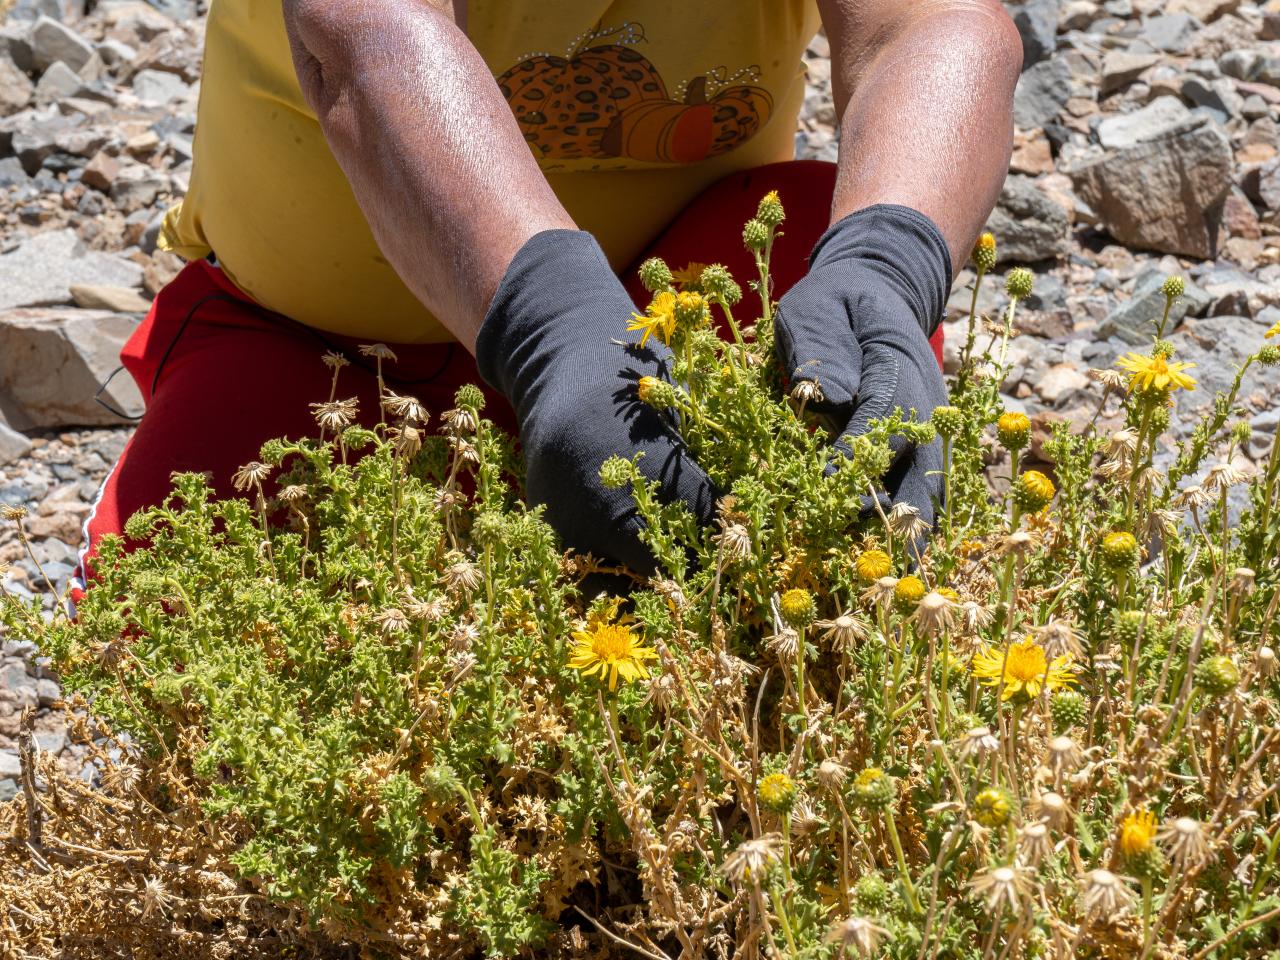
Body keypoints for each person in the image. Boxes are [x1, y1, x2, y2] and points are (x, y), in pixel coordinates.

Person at [77, 0, 1022, 581]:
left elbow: (937, 24)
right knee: (165, 667)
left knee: (834, 275)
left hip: (661, 319)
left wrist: (887, 270)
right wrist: (556, 329)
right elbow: (366, 33)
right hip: (311, 352)